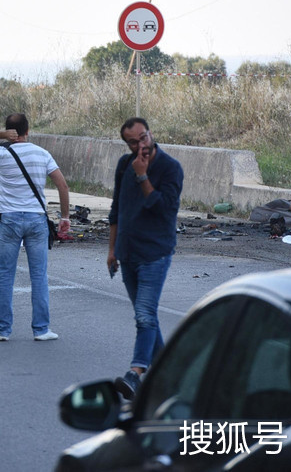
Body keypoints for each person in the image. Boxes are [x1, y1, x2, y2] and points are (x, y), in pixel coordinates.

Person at [0, 113, 70, 342]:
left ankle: (3, 330)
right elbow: (63, 185)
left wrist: (0, 135)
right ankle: (41, 330)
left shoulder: (2, 153)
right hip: (36, 221)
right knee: (39, 276)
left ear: (10, 131)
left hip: (10, 221)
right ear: (28, 130)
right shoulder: (42, 154)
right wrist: (65, 217)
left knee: (5, 276)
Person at [107, 117, 184, 399]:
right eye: (133, 142)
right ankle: (172, 373)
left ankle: (136, 372)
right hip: (127, 252)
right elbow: (117, 208)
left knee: (144, 314)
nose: (141, 145)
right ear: (126, 143)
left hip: (155, 253)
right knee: (146, 315)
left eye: (143, 138)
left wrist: (143, 178)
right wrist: (112, 249)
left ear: (151, 133)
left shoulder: (170, 167)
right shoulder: (124, 165)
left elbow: (165, 209)